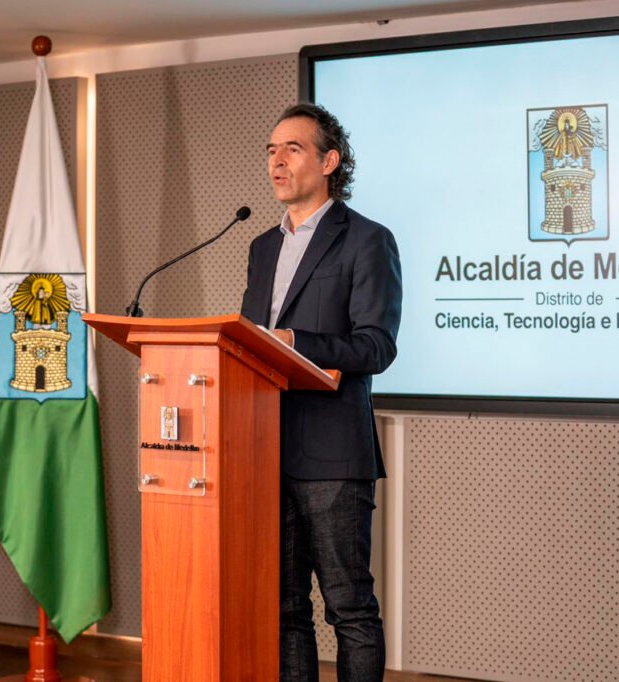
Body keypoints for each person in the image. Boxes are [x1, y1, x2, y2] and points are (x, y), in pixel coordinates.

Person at [240, 103, 402, 681]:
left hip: (333, 455)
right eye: (271, 150)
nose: (276, 161)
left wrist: (295, 342)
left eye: (293, 149)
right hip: (265, 451)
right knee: (284, 610)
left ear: (330, 162)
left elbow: (375, 347)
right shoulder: (262, 247)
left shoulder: (367, 240)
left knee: (349, 608)